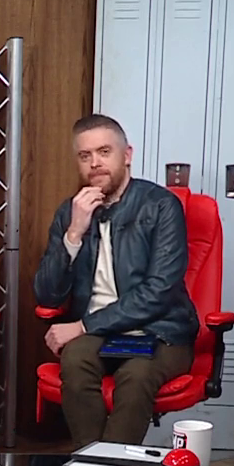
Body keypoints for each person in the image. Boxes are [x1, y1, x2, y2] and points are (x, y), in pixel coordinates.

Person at [32, 114, 198, 448]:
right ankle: (93, 464)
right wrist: (74, 232)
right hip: (99, 334)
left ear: (127, 155)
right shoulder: (70, 213)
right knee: (74, 361)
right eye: (85, 155)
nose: (95, 163)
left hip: (160, 331)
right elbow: (47, 295)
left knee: (136, 375)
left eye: (104, 152)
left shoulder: (161, 206)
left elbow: (158, 292)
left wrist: (82, 325)